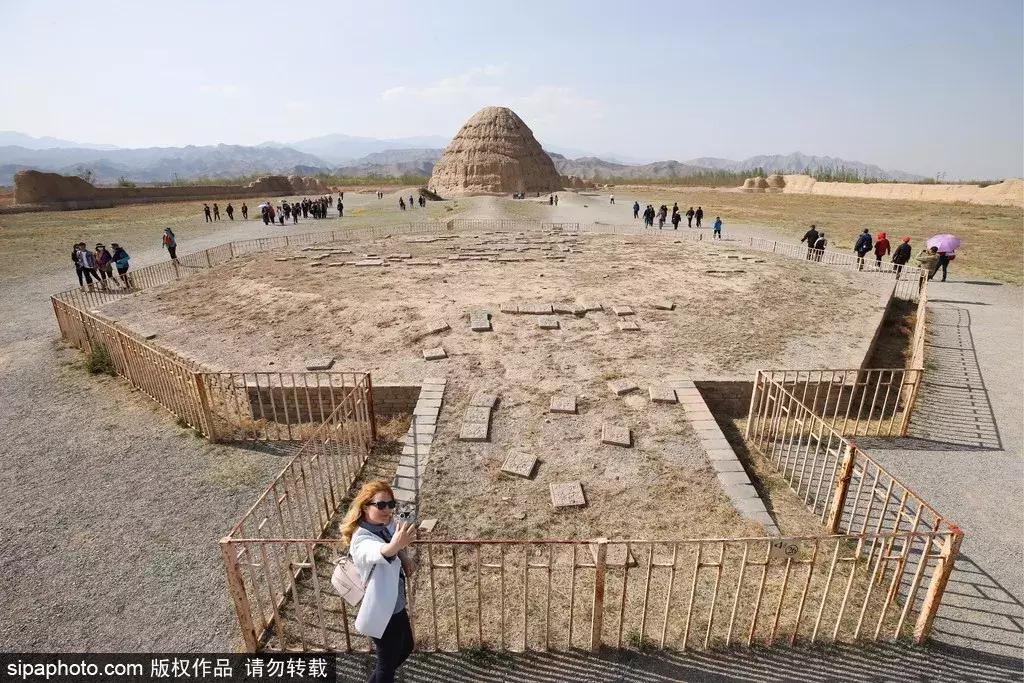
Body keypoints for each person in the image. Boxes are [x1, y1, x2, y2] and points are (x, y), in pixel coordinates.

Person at [342, 481, 416, 683]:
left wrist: (404, 556)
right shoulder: (361, 538)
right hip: (382, 609)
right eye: (381, 505)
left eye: (391, 504)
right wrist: (395, 546)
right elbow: (378, 551)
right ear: (366, 507)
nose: (388, 510)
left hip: (395, 602)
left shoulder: (383, 526)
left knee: (406, 647)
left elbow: (393, 543)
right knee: (387, 664)